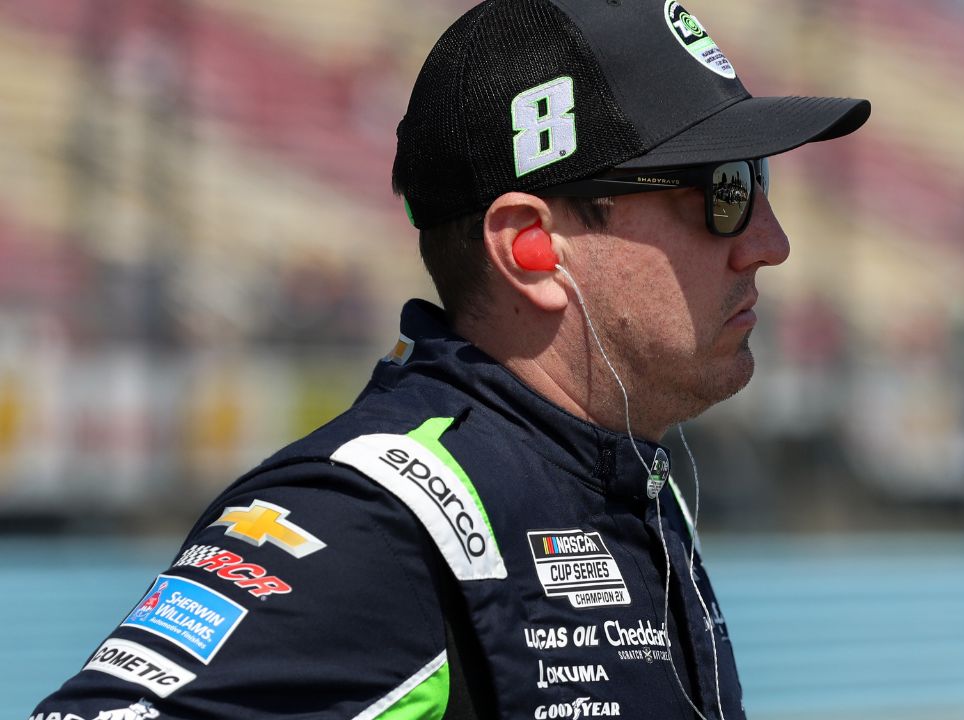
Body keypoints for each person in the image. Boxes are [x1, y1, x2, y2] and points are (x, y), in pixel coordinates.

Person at [30, 1, 869, 718]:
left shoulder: (623, 477)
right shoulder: (374, 514)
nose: (769, 241)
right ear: (533, 247)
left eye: (760, 180)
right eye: (722, 191)